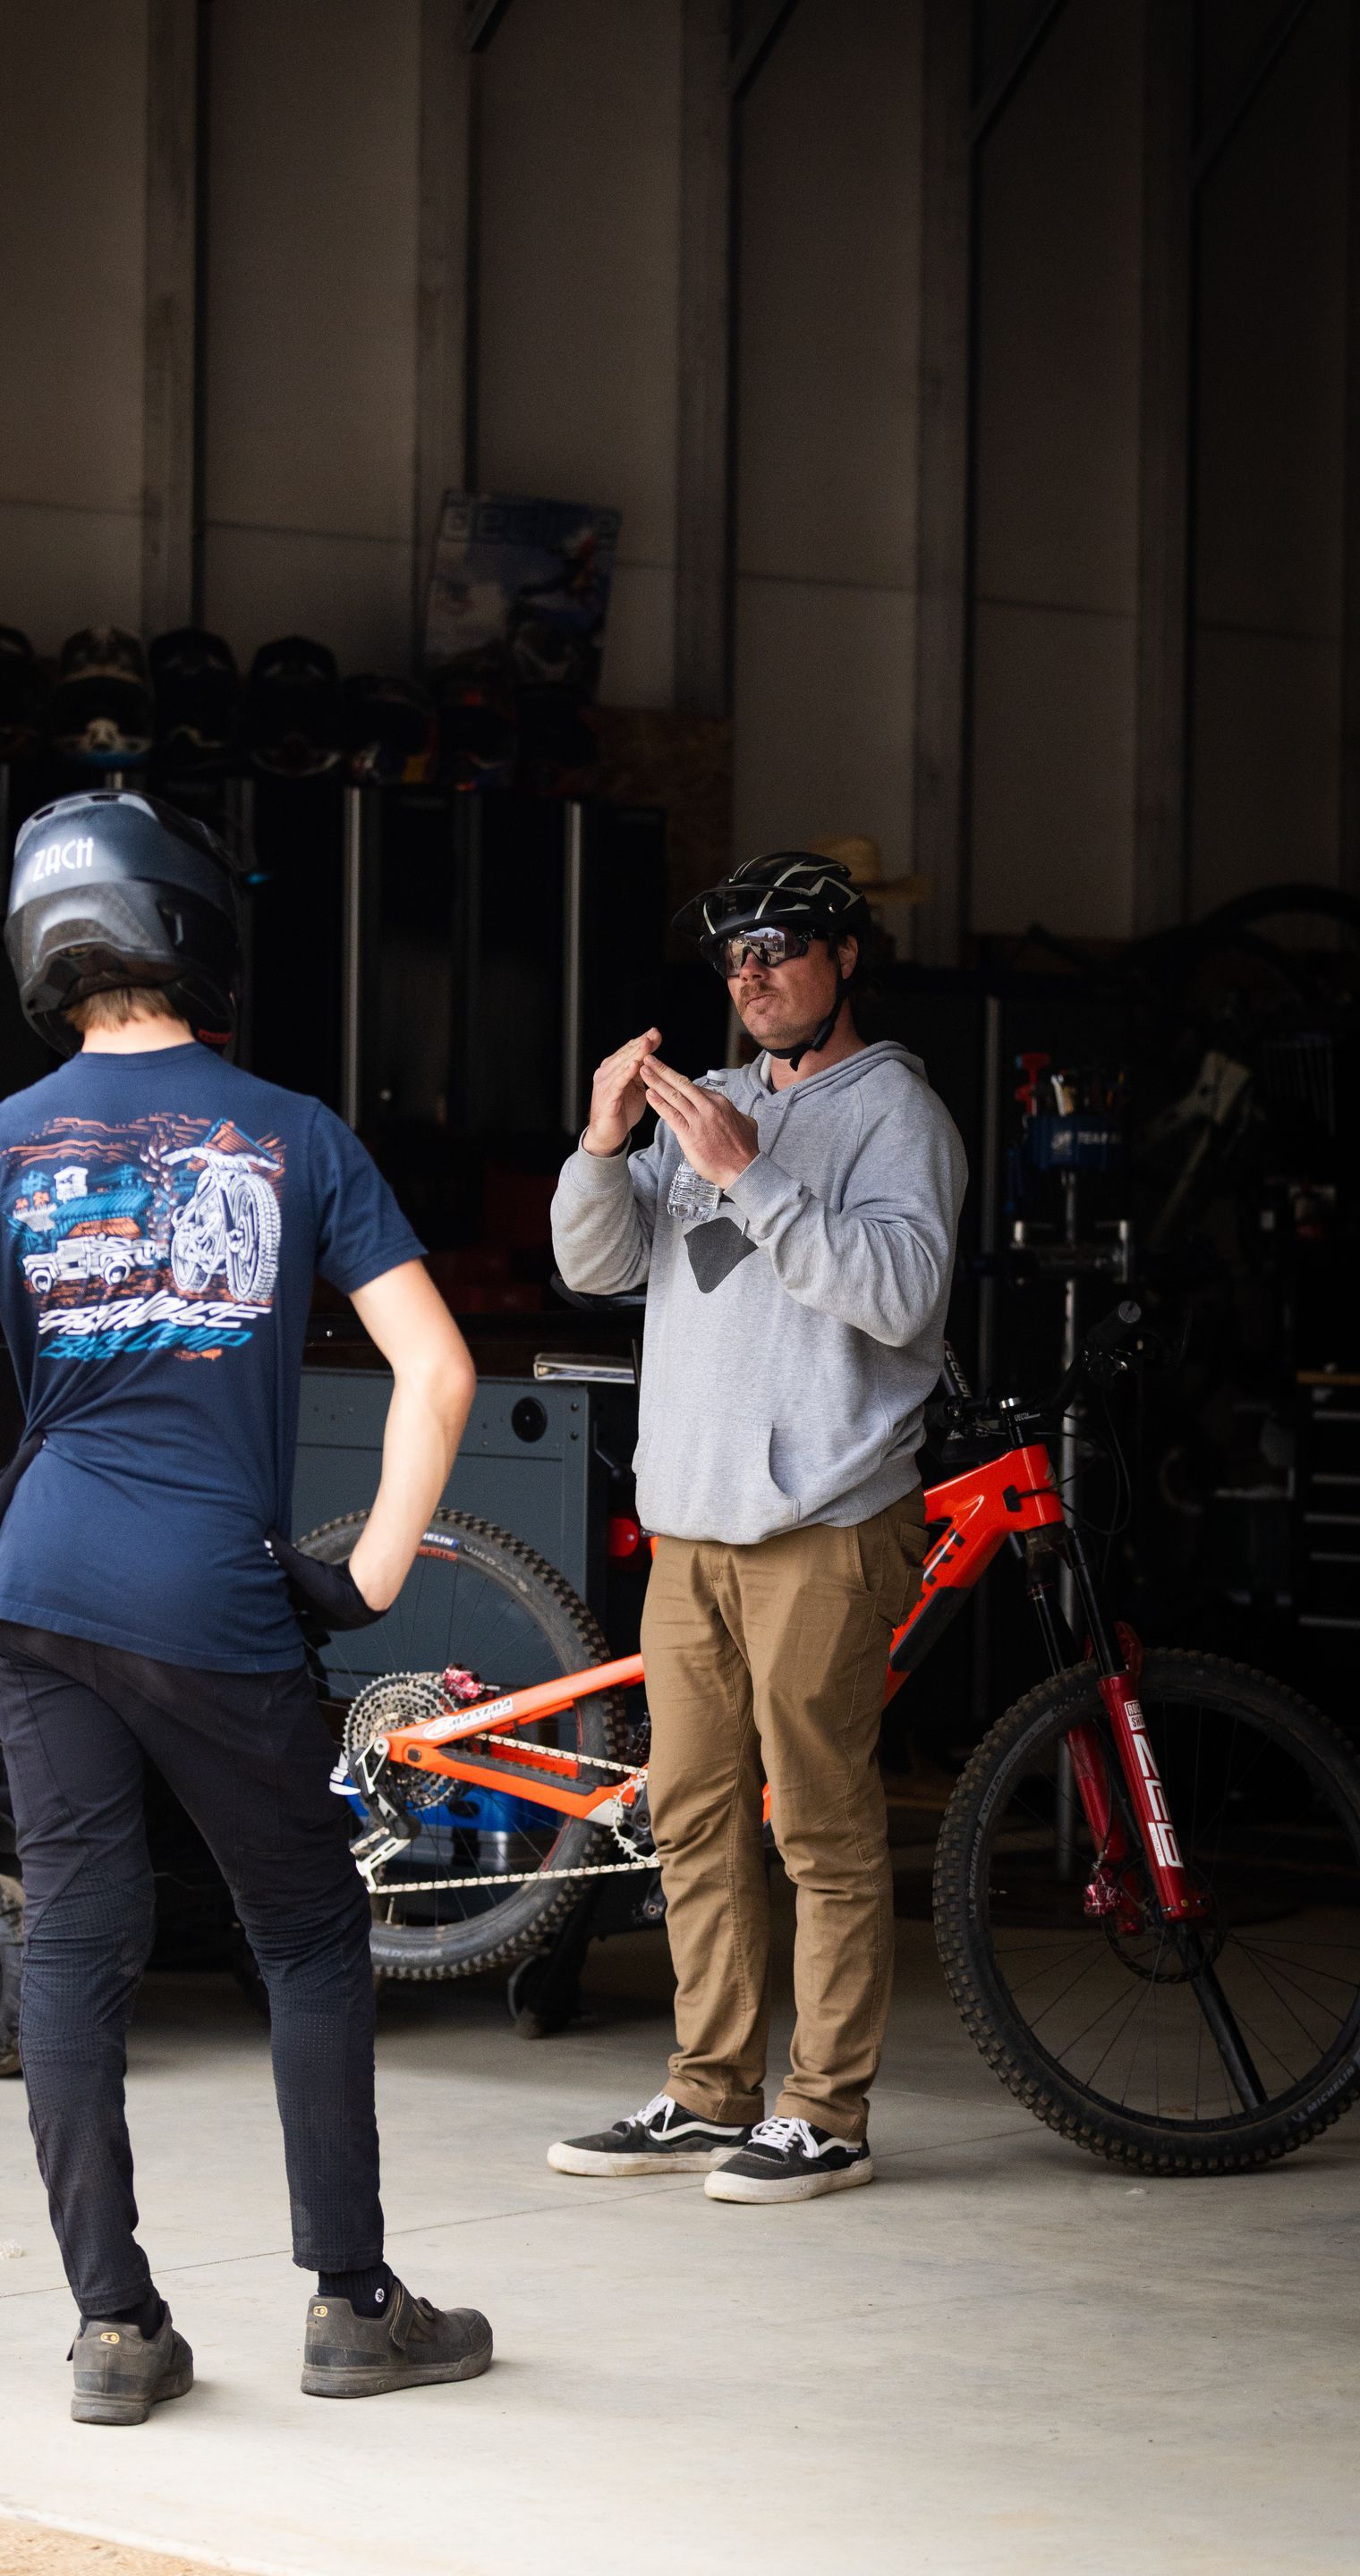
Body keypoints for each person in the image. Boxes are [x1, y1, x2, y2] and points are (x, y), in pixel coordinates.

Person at [0, 791, 491, 2415]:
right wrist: (378, 1565)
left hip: (39, 1597)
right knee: (310, 1931)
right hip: (212, 1592)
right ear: (195, 930)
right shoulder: (296, 1133)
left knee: (81, 1941)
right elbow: (439, 1368)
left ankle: (116, 2332)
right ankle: (351, 2307)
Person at [546, 852, 965, 2205]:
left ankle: (825, 2114)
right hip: (691, 1523)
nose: (756, 976)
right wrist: (608, 1143)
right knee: (694, 1816)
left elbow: (902, 1298)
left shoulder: (897, 1111)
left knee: (822, 1821)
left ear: (845, 958)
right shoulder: (705, 1102)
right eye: (736, 959)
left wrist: (754, 1179)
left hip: (826, 1521)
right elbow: (597, 1268)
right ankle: (705, 2088)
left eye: (783, 949)